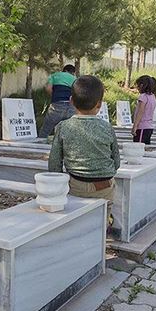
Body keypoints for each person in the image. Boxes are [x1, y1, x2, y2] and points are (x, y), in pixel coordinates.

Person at [49, 75, 121, 218]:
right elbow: (116, 161)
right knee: (103, 215)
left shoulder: (63, 127)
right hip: (104, 185)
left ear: (71, 101)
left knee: (77, 216)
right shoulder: (107, 127)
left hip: (76, 184)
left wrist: (57, 184)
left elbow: (54, 162)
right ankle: (103, 231)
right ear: (99, 104)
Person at [38, 64, 77, 137]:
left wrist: (54, 96)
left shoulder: (54, 75)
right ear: (73, 72)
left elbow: (48, 88)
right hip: (71, 107)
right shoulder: (75, 79)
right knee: (70, 132)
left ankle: (39, 145)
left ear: (64, 70)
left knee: (46, 130)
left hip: (57, 105)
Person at [131, 75, 156, 144]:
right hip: (149, 127)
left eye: (137, 85)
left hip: (141, 127)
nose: (137, 88)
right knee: (145, 148)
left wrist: (135, 126)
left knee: (138, 148)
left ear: (142, 85)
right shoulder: (153, 96)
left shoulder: (143, 97)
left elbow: (140, 112)